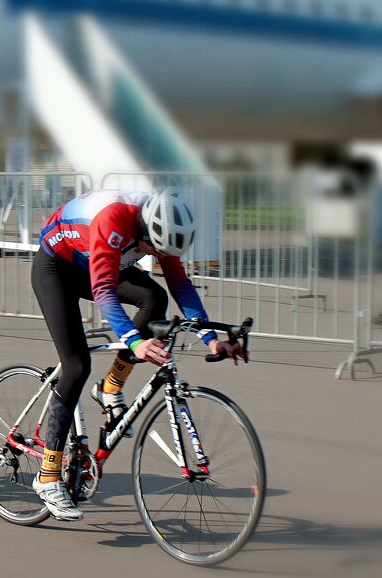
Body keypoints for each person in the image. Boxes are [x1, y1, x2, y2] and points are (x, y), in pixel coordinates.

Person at [30, 188, 240, 520]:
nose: (156, 256)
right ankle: (47, 476)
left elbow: (180, 284)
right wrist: (133, 341)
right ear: (143, 230)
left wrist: (211, 339)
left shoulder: (160, 228)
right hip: (57, 268)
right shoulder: (113, 218)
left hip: (100, 260)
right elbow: (103, 291)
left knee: (155, 298)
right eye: (153, 250)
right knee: (76, 365)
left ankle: (110, 387)